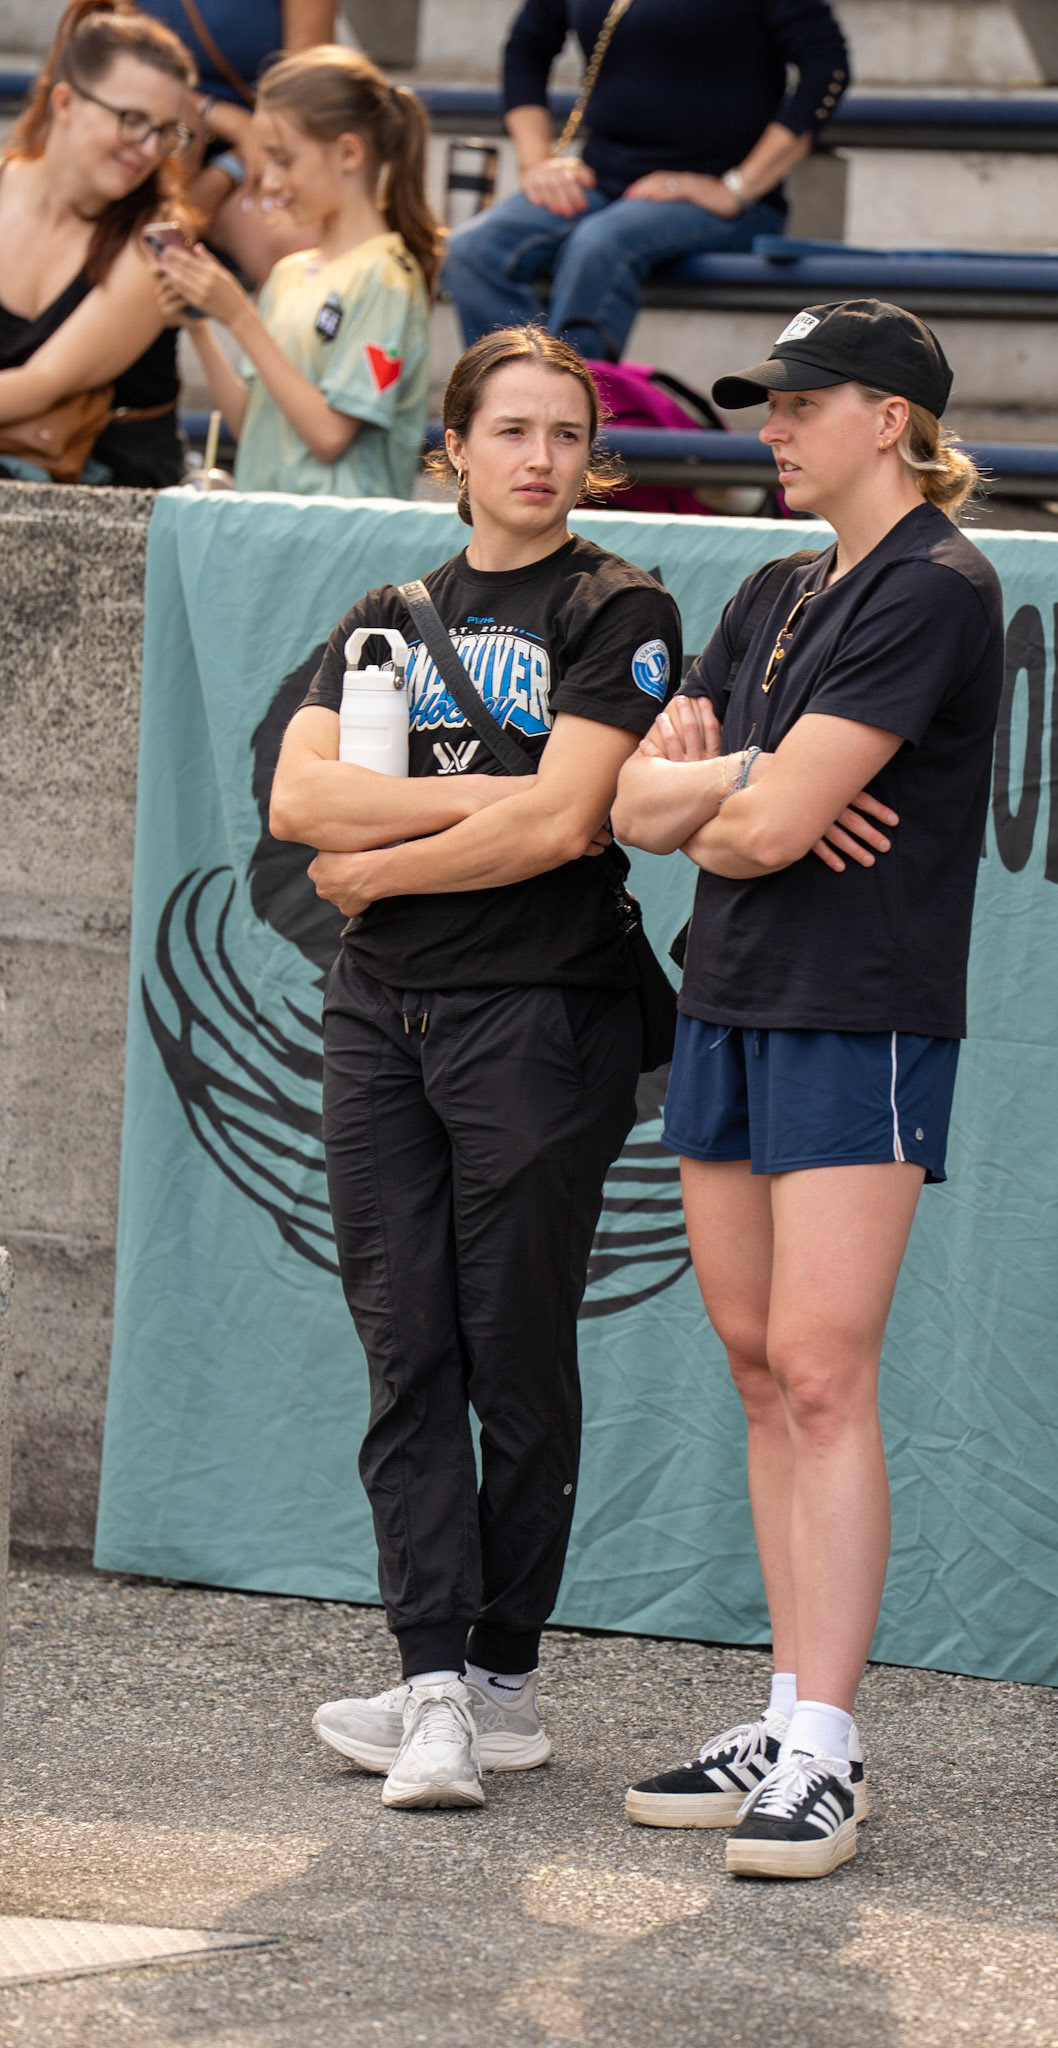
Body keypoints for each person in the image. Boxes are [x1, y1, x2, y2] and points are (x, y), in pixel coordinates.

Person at [612, 300, 1004, 1881]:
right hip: (727, 996)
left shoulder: (939, 586)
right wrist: (743, 780)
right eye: (765, 406)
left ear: (890, 420)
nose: (769, 431)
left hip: (861, 1016)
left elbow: (764, 832)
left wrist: (736, 795)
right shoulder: (771, 588)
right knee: (759, 1366)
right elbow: (638, 807)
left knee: (826, 1372)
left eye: (799, 404)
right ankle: (784, 1717)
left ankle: (827, 1749)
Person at [269, 324, 681, 1811]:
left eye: (567, 433)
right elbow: (299, 797)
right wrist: (482, 813)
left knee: (513, 1347)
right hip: (380, 1017)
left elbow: (568, 823)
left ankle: (502, 1676)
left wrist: (382, 864)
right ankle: (431, 1676)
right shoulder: (385, 615)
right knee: (406, 1350)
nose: (540, 456)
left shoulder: (618, 605)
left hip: (540, 1013)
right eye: (510, 429)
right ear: (452, 447)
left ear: (593, 455)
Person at [444, 0, 849, 362]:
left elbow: (827, 66)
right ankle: (512, 398)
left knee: (598, 244)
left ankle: (577, 411)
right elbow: (527, 45)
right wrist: (535, 163)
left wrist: (736, 189)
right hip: (602, 181)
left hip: (718, 200)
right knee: (472, 251)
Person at [151, 45, 440, 500]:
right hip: (271, 529)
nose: (268, 181)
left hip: (343, 538)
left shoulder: (387, 277)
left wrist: (240, 318)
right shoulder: (289, 273)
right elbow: (252, 424)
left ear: (348, 153)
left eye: (284, 160)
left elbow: (329, 436)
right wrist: (200, 323)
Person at [0, 0, 197, 488]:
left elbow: (42, 383)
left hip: (106, 505)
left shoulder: (155, 241)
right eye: (131, 119)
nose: (149, 148)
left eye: (165, 132)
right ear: (64, 102)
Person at [142, 0, 336, 287]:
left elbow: (307, 89)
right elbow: (103, 63)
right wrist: (222, 117)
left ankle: (192, 210)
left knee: (301, 250)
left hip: (268, 146)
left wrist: (232, 165)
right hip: (159, 134)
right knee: (180, 118)